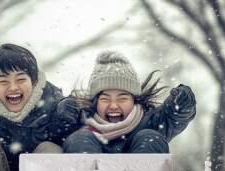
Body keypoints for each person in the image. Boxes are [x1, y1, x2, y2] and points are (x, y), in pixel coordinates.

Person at [63, 50, 196, 154]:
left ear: (134, 100)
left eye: (122, 98)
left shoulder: (149, 121)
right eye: (105, 99)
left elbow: (173, 118)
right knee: (79, 138)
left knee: (149, 136)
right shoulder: (80, 120)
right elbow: (53, 130)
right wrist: (63, 111)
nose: (113, 105)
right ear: (96, 102)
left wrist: (182, 103)